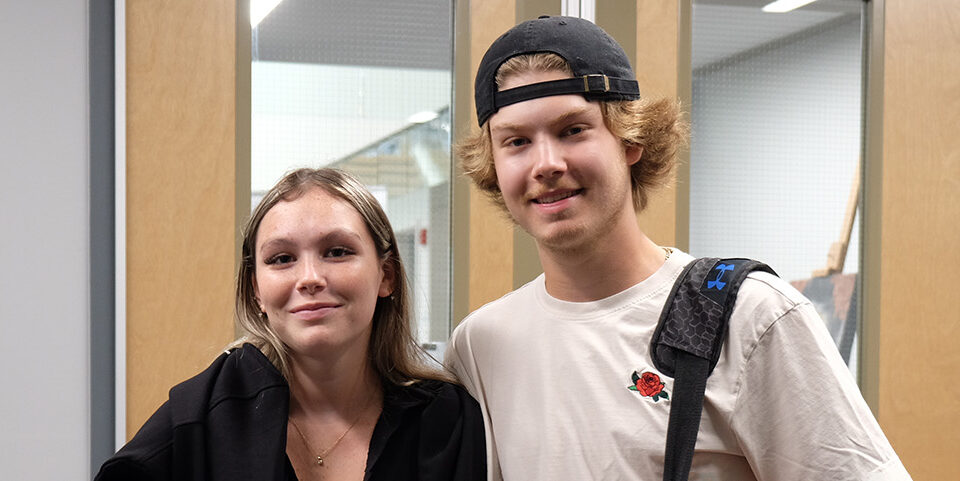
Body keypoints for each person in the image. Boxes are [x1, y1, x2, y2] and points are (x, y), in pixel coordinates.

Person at [446, 15, 910, 481]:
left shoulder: (749, 318)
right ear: (493, 166)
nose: (546, 164)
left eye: (573, 130)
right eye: (517, 142)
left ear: (631, 141)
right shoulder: (480, 345)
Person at [96, 168, 485, 481]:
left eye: (337, 252)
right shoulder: (199, 418)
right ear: (256, 291)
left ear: (387, 275)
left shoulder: (446, 422)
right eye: (281, 259)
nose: (310, 278)